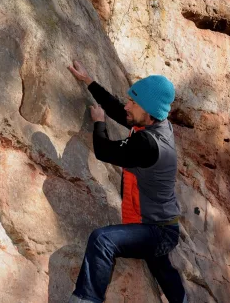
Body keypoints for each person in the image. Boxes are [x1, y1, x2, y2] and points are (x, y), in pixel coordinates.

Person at [67, 60, 187, 303]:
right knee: (159, 263)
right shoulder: (158, 123)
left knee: (102, 240)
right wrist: (89, 81)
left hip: (157, 231)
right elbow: (120, 110)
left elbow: (104, 151)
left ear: (149, 111)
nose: (128, 106)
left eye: (134, 102)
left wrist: (99, 122)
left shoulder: (148, 145)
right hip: (164, 226)